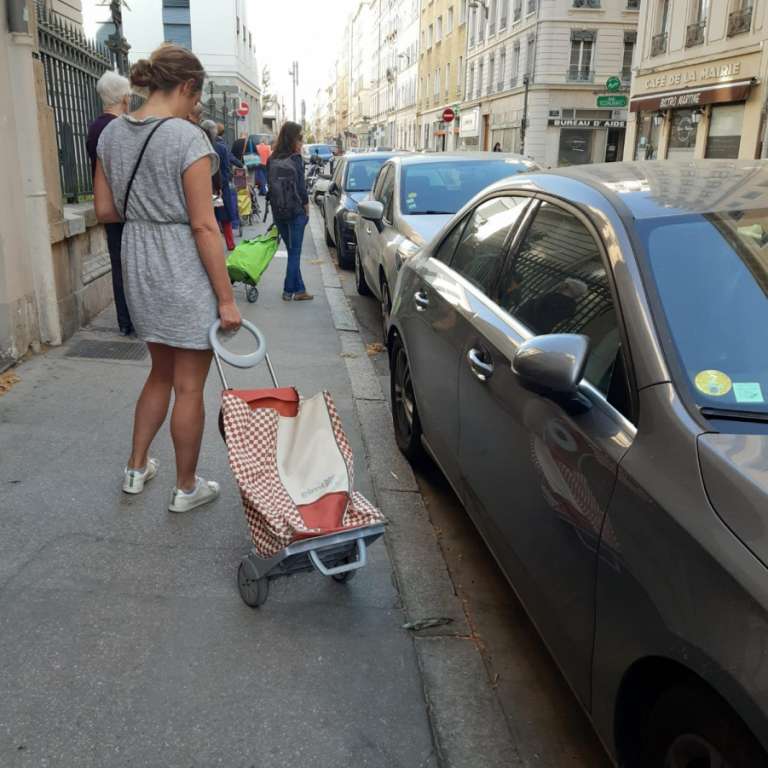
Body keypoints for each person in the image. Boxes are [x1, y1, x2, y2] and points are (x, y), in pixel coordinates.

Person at [94, 43, 241, 513]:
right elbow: (203, 225)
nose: (197, 107)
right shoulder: (187, 138)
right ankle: (186, 486)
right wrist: (226, 298)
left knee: (159, 372)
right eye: (196, 97)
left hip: (138, 262)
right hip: (181, 265)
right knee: (191, 385)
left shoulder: (111, 135)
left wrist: (145, 213)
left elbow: (103, 210)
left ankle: (136, 469)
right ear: (186, 86)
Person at [86, 71, 134, 336]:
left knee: (118, 263)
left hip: (106, 205)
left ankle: (124, 320)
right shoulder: (120, 128)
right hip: (126, 206)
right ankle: (134, 318)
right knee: (134, 264)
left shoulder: (95, 127)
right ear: (125, 98)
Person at [267, 121, 312, 301]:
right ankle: (288, 290)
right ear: (293, 139)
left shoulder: (271, 159)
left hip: (278, 212)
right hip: (295, 213)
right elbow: (301, 189)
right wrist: (307, 209)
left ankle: (300, 289)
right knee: (294, 253)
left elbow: (268, 187)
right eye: (300, 138)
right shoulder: (295, 159)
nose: (302, 142)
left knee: (292, 250)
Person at [201, 120, 242, 248]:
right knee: (225, 216)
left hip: (203, 185)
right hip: (220, 185)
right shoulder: (221, 147)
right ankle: (230, 243)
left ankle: (213, 244)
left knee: (209, 217)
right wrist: (226, 179)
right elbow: (226, 167)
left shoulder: (199, 146)